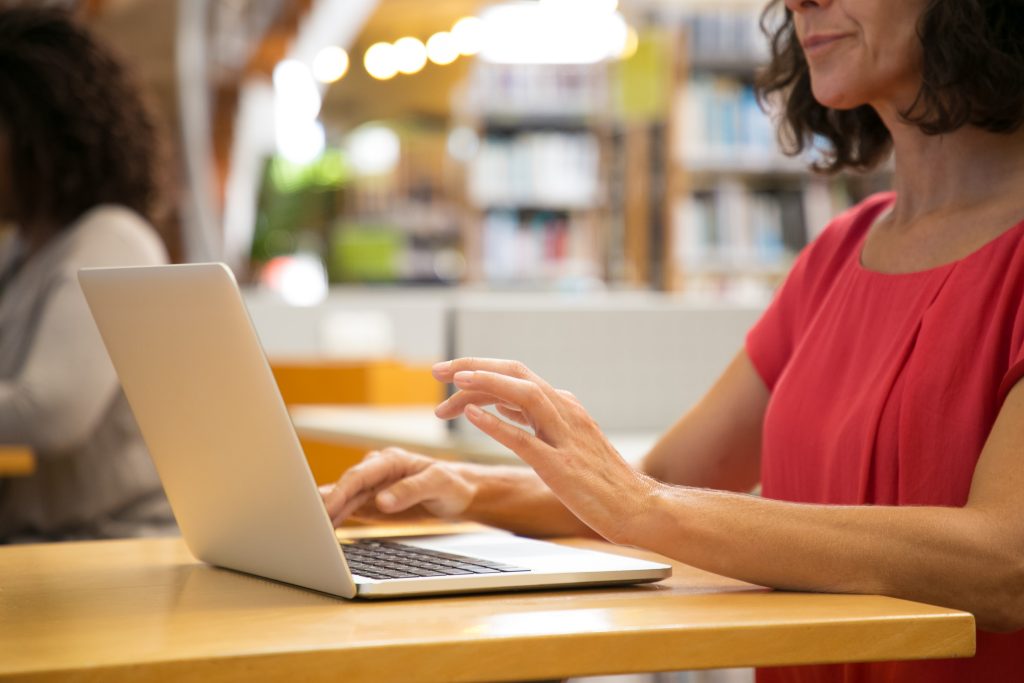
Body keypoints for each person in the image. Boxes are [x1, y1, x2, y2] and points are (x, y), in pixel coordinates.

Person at [322, 0, 1024, 680]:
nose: (801, 1)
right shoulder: (838, 254)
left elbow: (1007, 564)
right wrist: (465, 487)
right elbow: (661, 487)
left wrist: (645, 507)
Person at [0, 7, 176, 541]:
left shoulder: (110, 240)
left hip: (112, 546)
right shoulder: (22, 250)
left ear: (36, 135)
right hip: (45, 541)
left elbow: (50, 414)